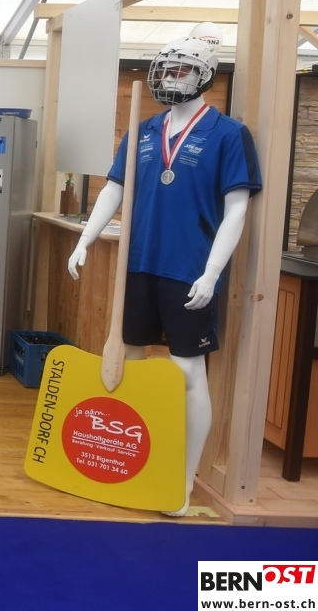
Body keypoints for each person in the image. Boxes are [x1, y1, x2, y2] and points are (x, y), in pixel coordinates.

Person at [67, 32, 261, 516]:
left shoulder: (228, 135)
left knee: (188, 373)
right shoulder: (143, 130)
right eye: (167, 69)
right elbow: (114, 189)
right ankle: (127, 465)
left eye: (183, 70)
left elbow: (237, 210)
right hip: (138, 265)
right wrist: (85, 238)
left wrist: (212, 272)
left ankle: (181, 482)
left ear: (205, 75)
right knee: (128, 365)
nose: (172, 78)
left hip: (188, 270)